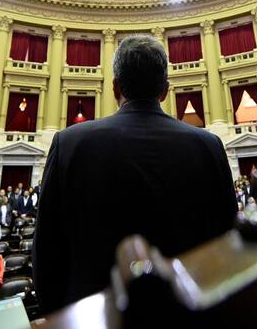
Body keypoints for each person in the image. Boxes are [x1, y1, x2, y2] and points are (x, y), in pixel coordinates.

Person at [33, 35, 236, 314]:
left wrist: (60, 316)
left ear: (115, 87)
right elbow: (227, 244)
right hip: (189, 315)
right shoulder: (208, 146)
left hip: (91, 317)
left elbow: (46, 254)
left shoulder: (69, 144)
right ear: (165, 90)